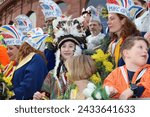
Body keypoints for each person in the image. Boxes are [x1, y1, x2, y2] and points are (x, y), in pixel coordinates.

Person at [33, 19, 86, 100]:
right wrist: (39, 97)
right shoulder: (52, 74)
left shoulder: (84, 71)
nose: (66, 49)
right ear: (59, 51)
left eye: (71, 46)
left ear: (76, 50)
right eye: (63, 46)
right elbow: (45, 95)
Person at [12, 29, 48, 100]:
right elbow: (30, 84)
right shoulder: (36, 58)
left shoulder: (30, 58)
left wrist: (11, 94)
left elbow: (29, 83)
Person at [107, 0, 141, 67]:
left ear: (123, 21)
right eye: (108, 19)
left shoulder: (133, 41)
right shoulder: (112, 43)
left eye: (112, 19)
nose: (108, 22)